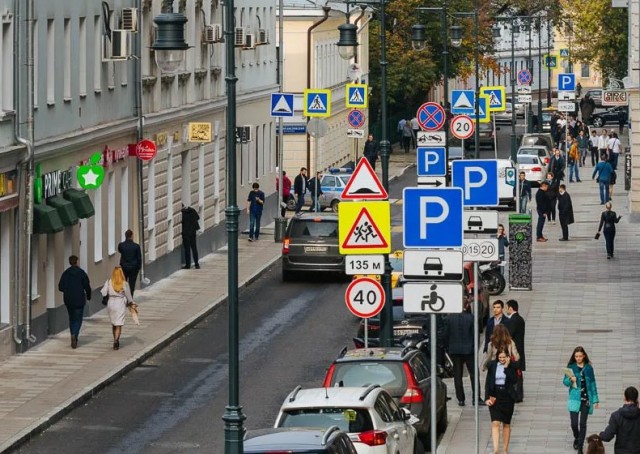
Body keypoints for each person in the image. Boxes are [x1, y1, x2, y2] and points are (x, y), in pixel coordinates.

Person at [445, 298, 484, 407]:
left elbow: (446, 335)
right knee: (474, 375)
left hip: (455, 351)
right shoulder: (471, 318)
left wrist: (448, 348)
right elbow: (476, 335)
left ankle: (461, 399)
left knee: (457, 375)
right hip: (469, 351)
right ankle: (476, 398)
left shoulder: (449, 318)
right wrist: (475, 348)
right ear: (467, 306)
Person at [564, 346, 600, 454]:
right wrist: (571, 380)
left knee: (583, 423)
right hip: (574, 398)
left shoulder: (589, 368)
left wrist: (595, 399)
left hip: (586, 399)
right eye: (576, 356)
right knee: (574, 423)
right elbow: (565, 382)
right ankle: (577, 437)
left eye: (580, 356)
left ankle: (580, 447)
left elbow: (593, 384)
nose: (578, 358)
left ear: (584, 356)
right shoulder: (571, 367)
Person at [485, 348, 519, 454]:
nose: (502, 359)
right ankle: (496, 450)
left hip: (507, 397)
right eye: (500, 357)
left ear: (508, 357)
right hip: (495, 396)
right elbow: (488, 382)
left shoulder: (512, 366)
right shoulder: (492, 365)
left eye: (504, 357)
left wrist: (506, 367)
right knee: (495, 423)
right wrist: (487, 398)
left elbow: (514, 380)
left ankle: (504, 449)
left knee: (506, 423)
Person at [57, 255, 92, 349]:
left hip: (68, 299)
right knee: (78, 318)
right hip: (79, 299)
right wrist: (88, 296)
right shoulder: (81, 273)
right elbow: (87, 286)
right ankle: (75, 334)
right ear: (77, 262)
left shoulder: (66, 273)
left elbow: (60, 287)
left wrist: (68, 290)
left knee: (71, 318)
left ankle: (72, 333)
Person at [101, 267, 134, 350]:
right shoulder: (124, 283)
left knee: (114, 323)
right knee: (119, 323)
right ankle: (116, 340)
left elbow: (103, 292)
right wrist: (131, 303)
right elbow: (129, 296)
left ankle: (114, 338)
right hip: (120, 303)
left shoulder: (109, 282)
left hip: (111, 303)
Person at [599, 386, 640, 453]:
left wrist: (600, 435)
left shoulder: (616, 416)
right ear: (637, 399)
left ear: (625, 398)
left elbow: (607, 436)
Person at [505, 300, 525, 402]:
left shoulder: (513, 320)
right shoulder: (520, 319)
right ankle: (518, 394)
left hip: (514, 352)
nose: (506, 309)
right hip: (519, 350)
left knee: (515, 373)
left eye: (506, 307)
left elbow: (509, 335)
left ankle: (517, 395)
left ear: (511, 308)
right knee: (518, 373)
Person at [118, 229, 142, 297]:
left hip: (124, 267)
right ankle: (130, 298)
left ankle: (124, 296)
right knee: (132, 284)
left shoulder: (121, 245)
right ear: (131, 236)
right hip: (133, 268)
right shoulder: (136, 246)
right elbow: (139, 258)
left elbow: (120, 251)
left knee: (124, 283)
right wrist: (139, 267)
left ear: (125, 236)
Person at [181, 204, 200, 269]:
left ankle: (188, 265)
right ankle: (197, 264)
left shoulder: (182, 213)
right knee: (194, 248)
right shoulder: (192, 210)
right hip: (193, 232)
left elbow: (181, 222)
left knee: (187, 249)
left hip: (186, 233)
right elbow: (198, 217)